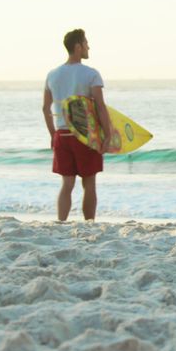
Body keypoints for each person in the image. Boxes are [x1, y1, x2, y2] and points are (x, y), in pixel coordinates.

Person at [42, 29, 112, 221]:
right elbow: (99, 106)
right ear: (78, 46)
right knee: (89, 183)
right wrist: (108, 134)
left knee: (67, 184)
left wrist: (52, 134)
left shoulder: (52, 75)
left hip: (62, 135)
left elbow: (45, 108)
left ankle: (61, 222)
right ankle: (89, 223)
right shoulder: (91, 74)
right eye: (86, 43)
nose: (89, 47)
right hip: (85, 135)